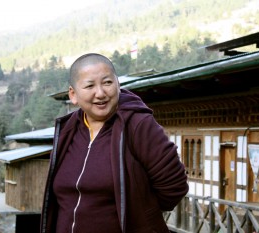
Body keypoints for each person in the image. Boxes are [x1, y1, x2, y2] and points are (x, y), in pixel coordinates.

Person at [40, 53, 189, 233]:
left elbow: (174, 186)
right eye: (89, 86)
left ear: (118, 84)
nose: (101, 93)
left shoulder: (137, 125)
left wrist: (142, 217)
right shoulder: (67, 130)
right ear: (73, 94)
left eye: (107, 83)